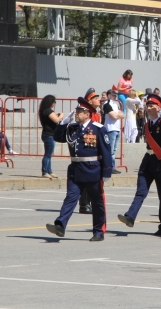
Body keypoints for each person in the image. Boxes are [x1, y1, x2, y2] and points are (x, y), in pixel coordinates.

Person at [46, 97, 113, 241]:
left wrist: (107, 171)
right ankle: (60, 225)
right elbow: (58, 137)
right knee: (71, 197)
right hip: (75, 170)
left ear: (87, 114)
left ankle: (98, 231)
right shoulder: (72, 128)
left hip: (92, 170)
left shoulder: (97, 129)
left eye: (80, 111)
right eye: (76, 110)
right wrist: (63, 123)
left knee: (97, 202)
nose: (76, 113)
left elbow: (106, 151)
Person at [118, 94, 161, 236]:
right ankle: (130, 216)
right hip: (148, 161)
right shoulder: (147, 125)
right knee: (141, 191)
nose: (149, 108)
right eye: (147, 106)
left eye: (152, 106)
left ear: (159, 107)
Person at [38, 95, 64, 179]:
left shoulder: (44, 110)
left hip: (49, 134)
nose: (54, 104)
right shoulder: (47, 110)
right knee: (47, 154)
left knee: (49, 154)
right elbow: (56, 120)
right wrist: (61, 116)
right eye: (54, 102)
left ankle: (49, 171)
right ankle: (45, 171)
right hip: (48, 134)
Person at [103, 90, 125, 169]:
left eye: (116, 95)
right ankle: (110, 167)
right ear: (109, 95)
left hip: (117, 129)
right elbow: (114, 116)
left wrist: (118, 114)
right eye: (113, 95)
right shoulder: (107, 104)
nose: (115, 96)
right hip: (110, 129)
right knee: (110, 150)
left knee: (114, 150)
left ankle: (112, 167)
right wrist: (118, 114)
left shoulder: (116, 104)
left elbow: (122, 115)